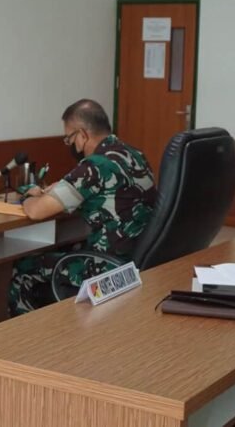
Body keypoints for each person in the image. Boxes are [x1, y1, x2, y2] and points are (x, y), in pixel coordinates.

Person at [8, 99, 157, 316]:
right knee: (64, 249)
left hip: (106, 268)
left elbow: (36, 211)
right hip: (137, 261)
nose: (71, 145)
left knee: (24, 267)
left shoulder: (93, 166)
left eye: (69, 139)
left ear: (82, 135)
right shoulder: (134, 154)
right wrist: (63, 188)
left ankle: (25, 336)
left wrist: (28, 197)